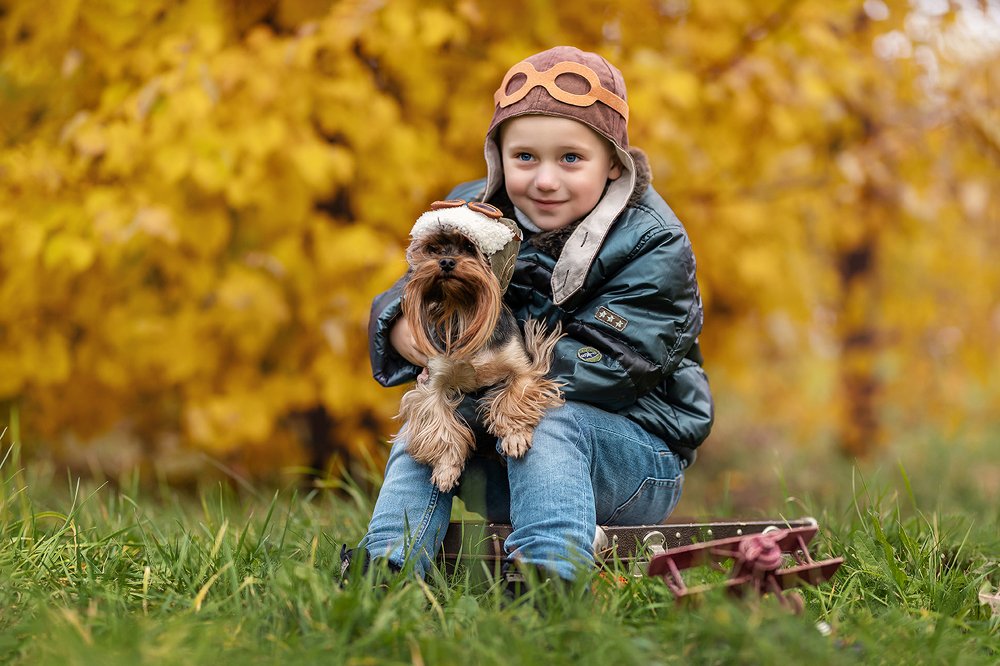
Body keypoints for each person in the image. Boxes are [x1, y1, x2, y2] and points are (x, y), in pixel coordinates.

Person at [348, 46, 713, 585]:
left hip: (630, 460)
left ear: (613, 162)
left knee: (548, 416)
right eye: (525, 158)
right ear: (498, 158)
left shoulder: (652, 242)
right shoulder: (472, 214)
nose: (544, 181)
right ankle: (388, 566)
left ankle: (550, 575)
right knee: (427, 426)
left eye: (571, 159)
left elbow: (614, 363)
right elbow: (413, 283)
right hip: (504, 446)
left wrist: (475, 372)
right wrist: (405, 329)